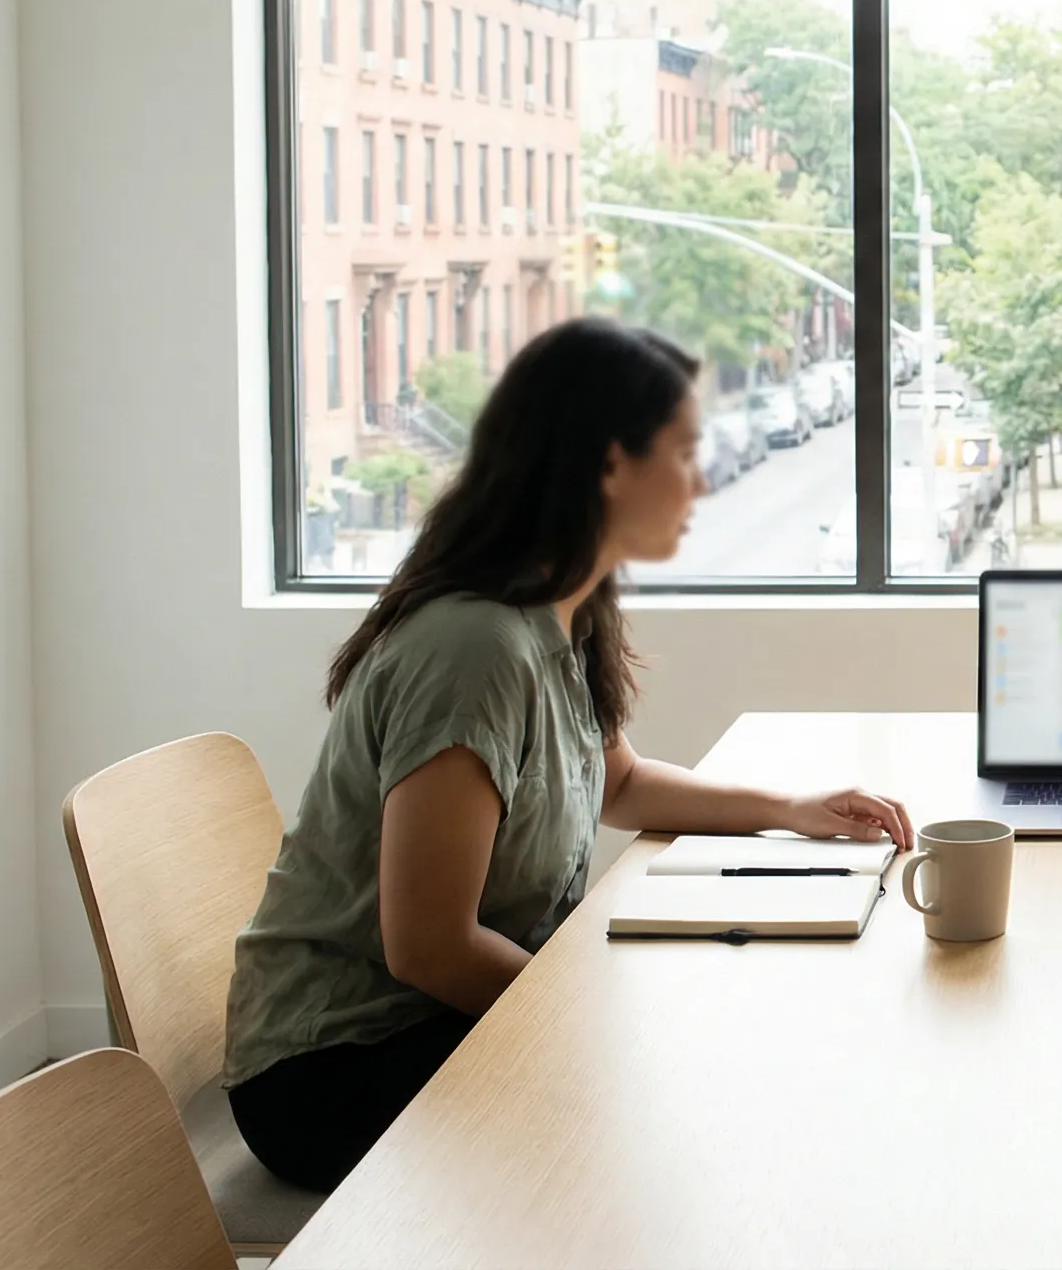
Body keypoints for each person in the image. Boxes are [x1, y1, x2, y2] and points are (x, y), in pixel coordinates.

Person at [222, 319, 915, 1191]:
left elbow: (618, 783)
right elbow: (429, 949)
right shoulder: (474, 649)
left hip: (442, 1021)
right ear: (608, 465)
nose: (702, 480)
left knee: (722, 1063)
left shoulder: (560, 608)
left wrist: (789, 810)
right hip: (340, 1065)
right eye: (684, 452)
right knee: (704, 1108)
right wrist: (597, 1023)